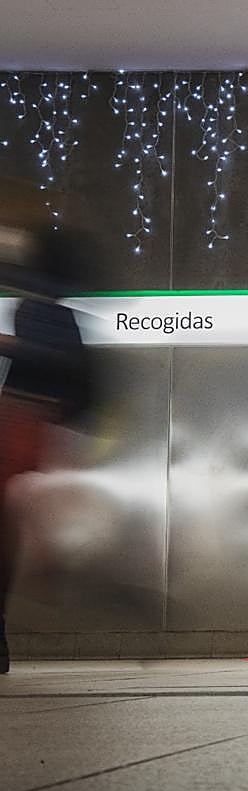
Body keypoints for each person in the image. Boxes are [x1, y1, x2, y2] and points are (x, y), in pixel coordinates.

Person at [0, 206, 93, 675]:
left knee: (9, 527)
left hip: (25, 418)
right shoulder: (48, 305)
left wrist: (10, 345)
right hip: (31, 420)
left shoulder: (41, 308)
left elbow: (55, 361)